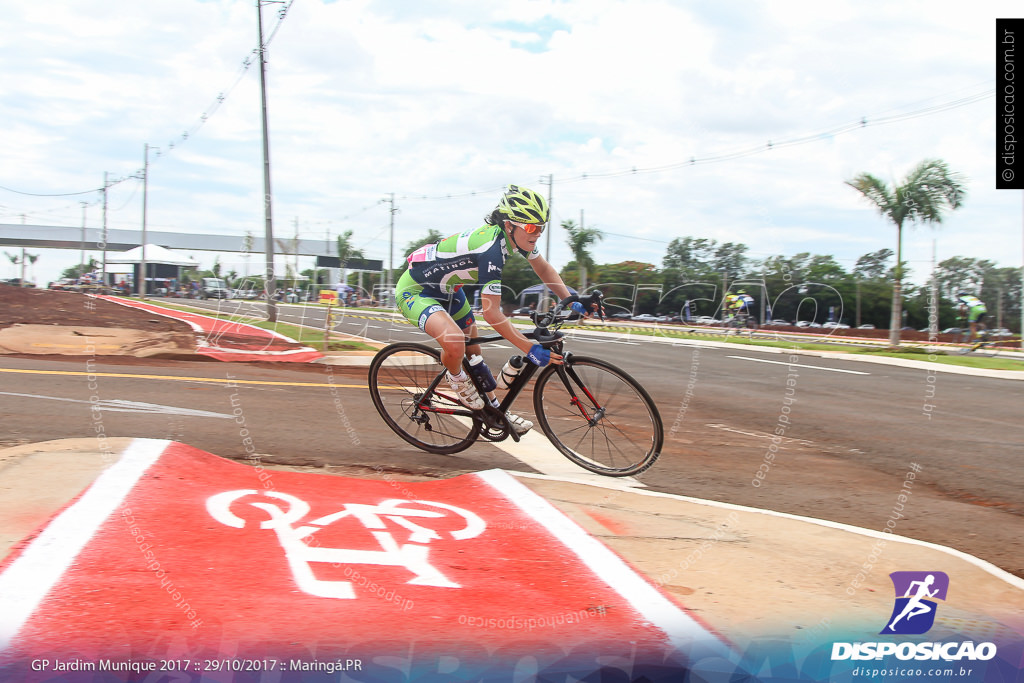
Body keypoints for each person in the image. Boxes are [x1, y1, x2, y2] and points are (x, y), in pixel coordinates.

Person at [395, 185, 586, 435]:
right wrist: (530, 348)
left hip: (450, 291)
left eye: (541, 227)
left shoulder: (517, 239)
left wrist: (571, 299)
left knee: (474, 351)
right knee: (455, 343)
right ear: (510, 224)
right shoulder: (491, 250)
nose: (537, 233)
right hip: (416, 290)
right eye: (531, 227)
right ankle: (456, 379)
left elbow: (544, 269)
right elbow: (492, 313)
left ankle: (496, 410)